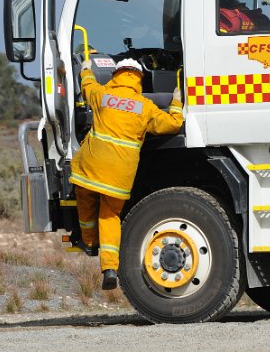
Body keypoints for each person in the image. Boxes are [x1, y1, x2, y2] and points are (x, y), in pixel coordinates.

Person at [69, 58, 184, 290]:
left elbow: (87, 86)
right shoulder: (145, 107)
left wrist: (85, 69)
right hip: (119, 175)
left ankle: (90, 243)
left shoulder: (102, 96)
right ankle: (109, 268)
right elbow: (172, 124)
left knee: (85, 199)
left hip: (90, 168)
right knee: (109, 215)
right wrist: (176, 101)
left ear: (116, 74)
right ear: (139, 78)